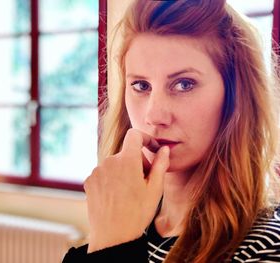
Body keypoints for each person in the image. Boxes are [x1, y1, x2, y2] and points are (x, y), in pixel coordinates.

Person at [63, 0, 280, 262]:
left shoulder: (265, 248)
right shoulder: (126, 221)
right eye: (141, 85)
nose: (154, 116)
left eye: (184, 84)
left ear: (235, 97)